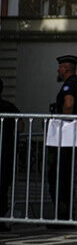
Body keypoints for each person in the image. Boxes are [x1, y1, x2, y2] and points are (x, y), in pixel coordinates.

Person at [47, 55, 77, 222]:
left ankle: (62, 216)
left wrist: (64, 123)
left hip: (66, 137)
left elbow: (68, 104)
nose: (58, 70)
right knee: (67, 176)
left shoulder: (69, 86)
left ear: (66, 69)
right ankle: (68, 214)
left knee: (58, 176)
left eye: (60, 67)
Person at [0, 78, 21, 223]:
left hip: (5, 151)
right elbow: (21, 127)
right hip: (6, 151)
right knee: (3, 186)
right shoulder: (9, 106)